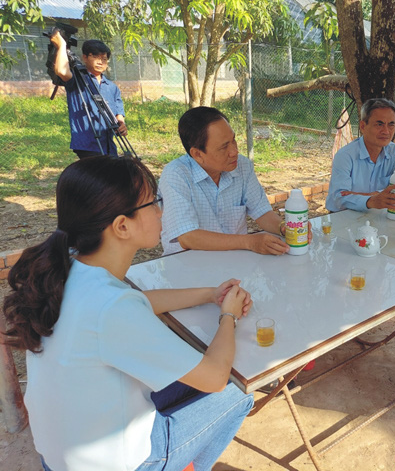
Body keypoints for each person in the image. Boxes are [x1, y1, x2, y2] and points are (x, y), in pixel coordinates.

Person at [2, 156, 254, 471]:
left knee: (183, 377)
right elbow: (215, 378)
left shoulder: (68, 266)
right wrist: (228, 316)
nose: (161, 211)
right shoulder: (112, 307)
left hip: (60, 454)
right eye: (153, 203)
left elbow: (138, 301)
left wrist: (209, 294)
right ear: (122, 226)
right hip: (119, 463)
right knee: (237, 392)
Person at [159, 106, 291, 256]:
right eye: (224, 147)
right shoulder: (176, 175)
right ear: (197, 154)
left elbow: (261, 211)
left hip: (234, 261)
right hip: (190, 266)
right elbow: (188, 237)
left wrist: (284, 227)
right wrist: (249, 242)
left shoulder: (242, 166)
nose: (234, 151)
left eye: (233, 140)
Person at [325, 98, 395, 212]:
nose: (386, 131)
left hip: (376, 215)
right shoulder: (345, 156)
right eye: (379, 124)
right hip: (344, 217)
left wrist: (374, 195)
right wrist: (372, 200)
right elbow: (339, 198)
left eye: (391, 124)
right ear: (363, 126)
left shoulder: (394, 152)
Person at [50, 31, 127, 159]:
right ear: (85, 57)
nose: (101, 62)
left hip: (108, 143)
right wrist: (62, 46)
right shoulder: (77, 80)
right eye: (96, 57)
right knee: (98, 175)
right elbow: (61, 70)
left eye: (104, 59)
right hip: (86, 144)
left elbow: (118, 109)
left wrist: (121, 123)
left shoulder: (112, 87)